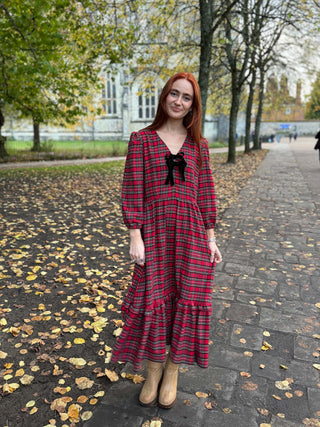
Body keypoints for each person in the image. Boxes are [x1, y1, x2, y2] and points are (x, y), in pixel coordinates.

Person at [111, 72, 222, 409]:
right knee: (154, 300)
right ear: (164, 97)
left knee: (186, 300)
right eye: (174, 94)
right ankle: (154, 368)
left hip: (190, 238)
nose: (178, 101)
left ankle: (172, 370)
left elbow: (205, 194)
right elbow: (132, 190)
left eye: (186, 97)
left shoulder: (199, 145)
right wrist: (135, 236)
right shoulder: (142, 140)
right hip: (156, 235)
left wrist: (211, 238)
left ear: (194, 105)